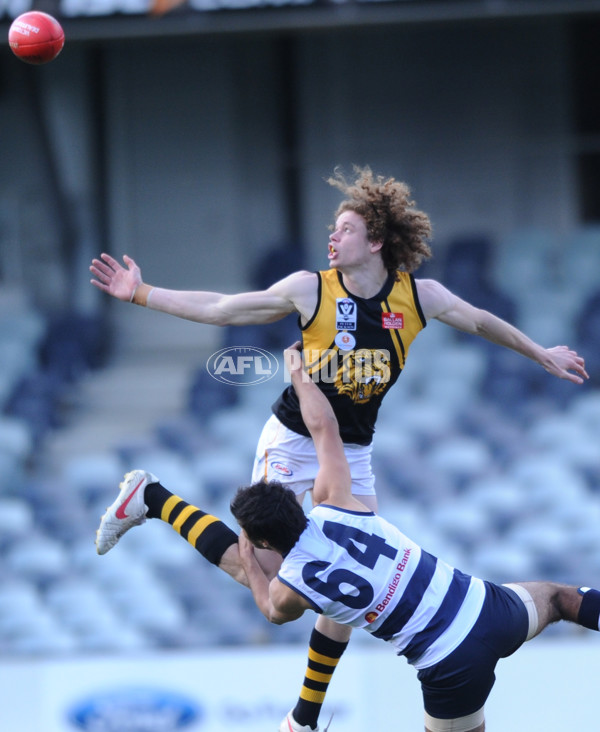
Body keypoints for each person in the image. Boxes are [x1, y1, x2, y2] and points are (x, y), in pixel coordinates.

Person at [90, 166, 588, 731]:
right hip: (294, 437)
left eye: (344, 228)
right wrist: (142, 293)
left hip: (351, 448)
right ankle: (149, 498)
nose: (332, 236)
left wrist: (540, 353)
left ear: (375, 240)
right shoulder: (311, 289)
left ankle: (303, 717)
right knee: (272, 579)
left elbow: (478, 322)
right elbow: (224, 308)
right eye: (332, 227)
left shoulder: (419, 297)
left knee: (349, 571)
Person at [96, 343, 600, 732]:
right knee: (558, 598)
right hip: (483, 603)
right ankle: (153, 500)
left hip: (449, 662)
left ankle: (155, 501)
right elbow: (325, 430)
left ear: (266, 542)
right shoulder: (339, 502)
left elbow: (270, 608)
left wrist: (249, 554)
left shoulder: (293, 586)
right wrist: (297, 374)